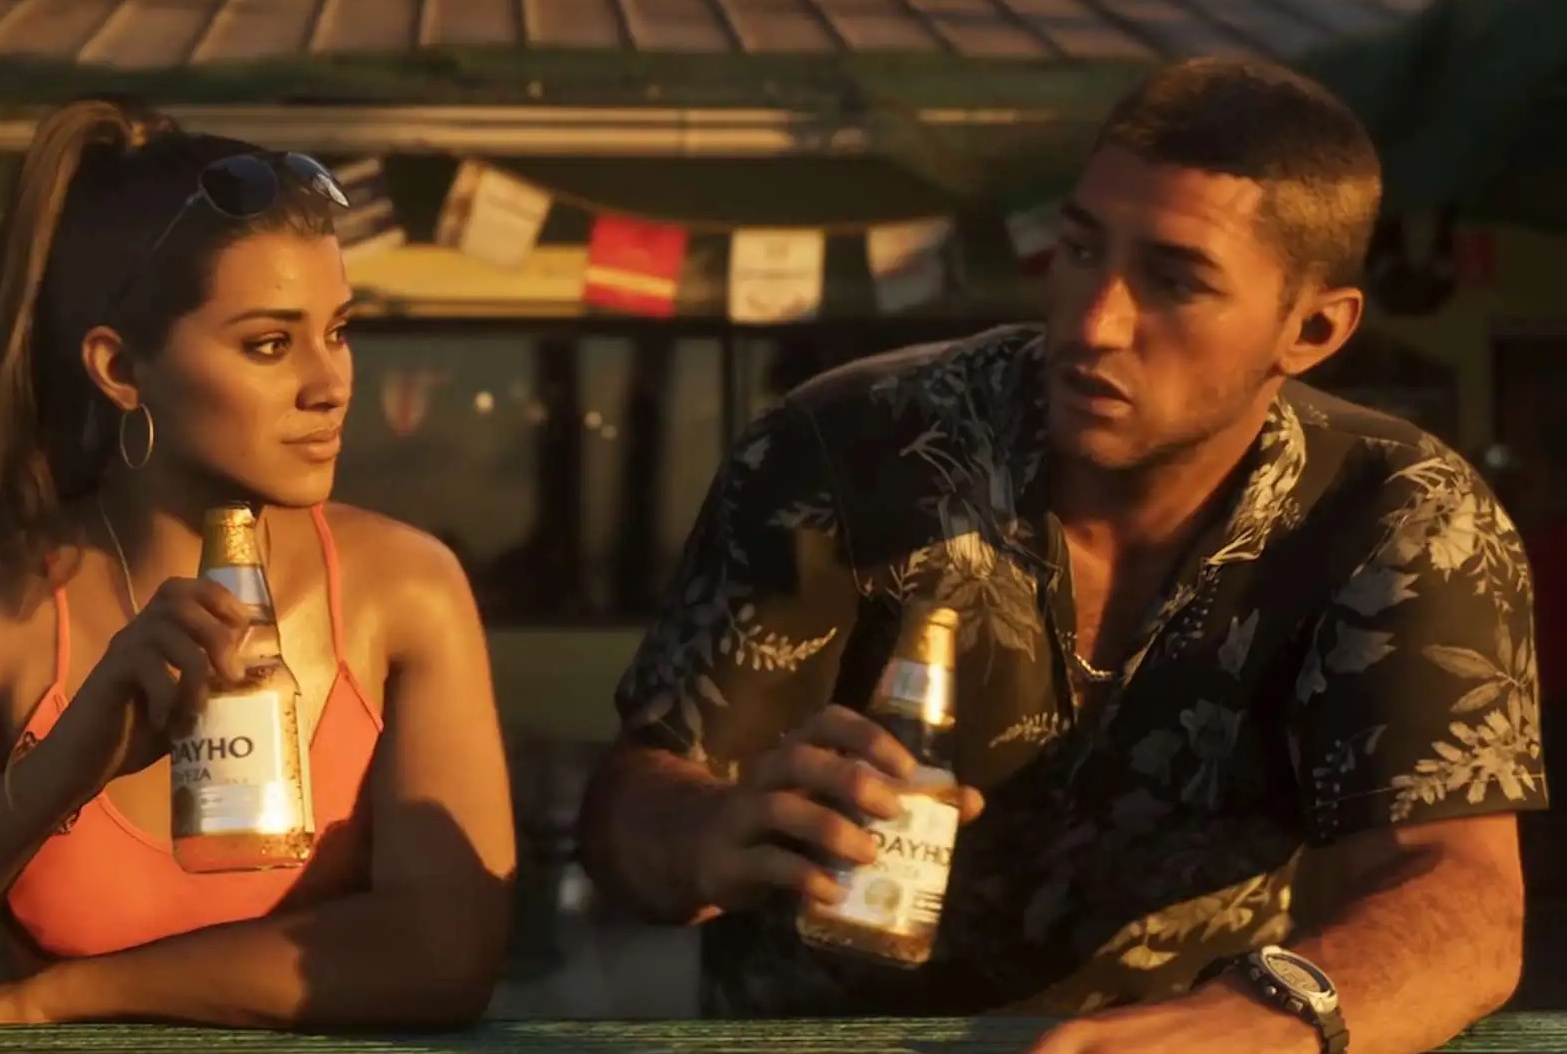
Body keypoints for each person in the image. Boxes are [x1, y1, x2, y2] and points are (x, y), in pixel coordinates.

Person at [579, 58, 1543, 1054]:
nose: (1092, 321)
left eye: (1174, 279)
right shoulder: (848, 449)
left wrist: (1262, 1023)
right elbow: (626, 808)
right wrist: (703, 834)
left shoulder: (1398, 514)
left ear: (1312, 328)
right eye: (1081, 248)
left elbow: (1466, 899)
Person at [0, 101, 515, 1051]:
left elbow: (444, 954)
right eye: (269, 343)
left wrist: (65, 995)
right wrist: (65, 767)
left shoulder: (404, 592)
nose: (329, 382)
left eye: (337, 331)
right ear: (121, 367)